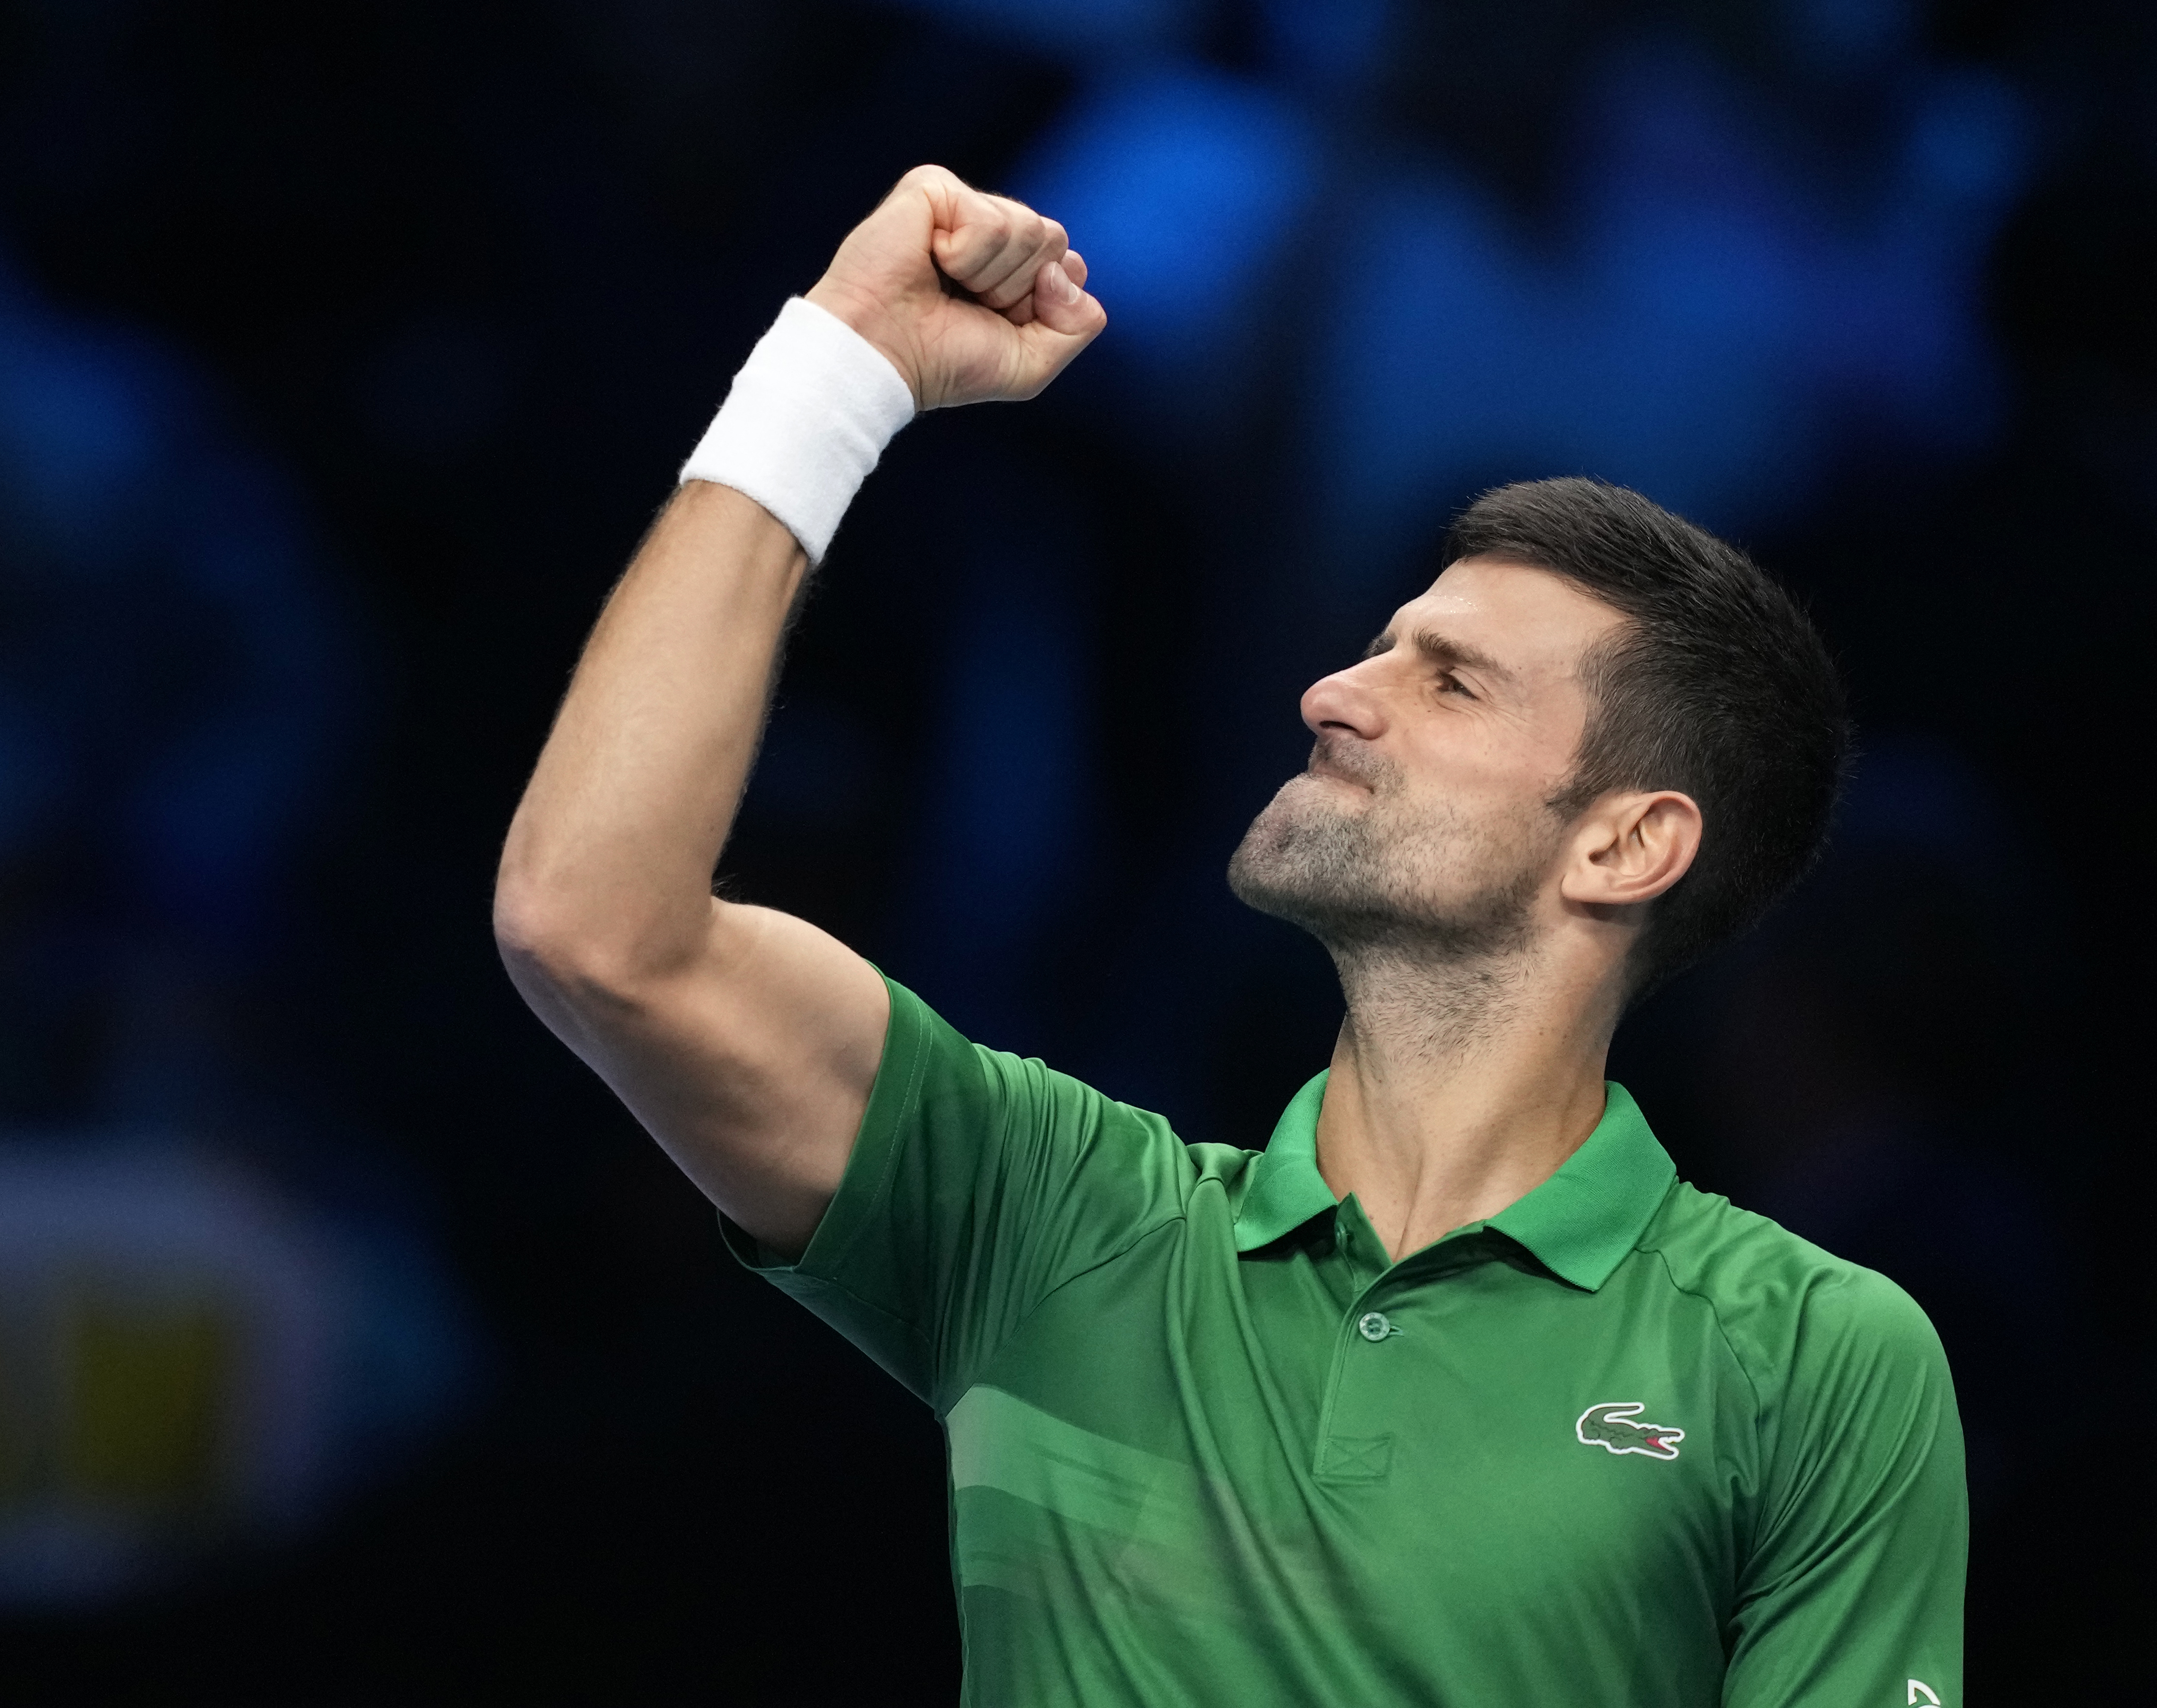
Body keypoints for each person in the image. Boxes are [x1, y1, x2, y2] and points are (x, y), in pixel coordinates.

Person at [495, 166, 1965, 1707]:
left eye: (1448, 681)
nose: (1337, 692)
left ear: (1625, 842)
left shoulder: (1811, 1357)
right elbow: (596, 926)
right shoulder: (1053, 1216)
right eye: (1373, 644)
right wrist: (840, 368)